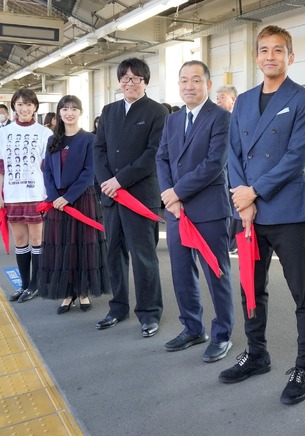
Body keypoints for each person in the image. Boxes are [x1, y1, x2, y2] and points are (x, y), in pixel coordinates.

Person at [219, 25, 305, 406]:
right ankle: (257, 353)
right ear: (256, 57)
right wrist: (243, 201)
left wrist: (255, 191)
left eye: (278, 50)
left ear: (290, 57)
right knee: (251, 288)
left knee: (302, 293)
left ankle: (304, 366)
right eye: (264, 50)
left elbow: (297, 156)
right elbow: (234, 153)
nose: (270, 56)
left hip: (287, 212)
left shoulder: (302, 99)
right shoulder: (243, 101)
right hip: (250, 216)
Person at [156, 60, 235, 362]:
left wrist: (176, 192)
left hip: (209, 211)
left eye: (196, 80)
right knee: (181, 272)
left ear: (208, 85)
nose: (189, 86)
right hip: (177, 212)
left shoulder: (221, 118)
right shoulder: (172, 120)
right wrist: (170, 198)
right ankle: (192, 327)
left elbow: (214, 165)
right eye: (184, 81)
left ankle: (222, 334)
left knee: (216, 273)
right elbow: (162, 158)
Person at [93, 57, 167, 338]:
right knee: (114, 254)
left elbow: (153, 154)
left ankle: (149, 313)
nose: (129, 83)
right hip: (111, 197)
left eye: (136, 78)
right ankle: (118, 306)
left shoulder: (156, 112)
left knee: (143, 256)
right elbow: (98, 149)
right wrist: (106, 182)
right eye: (125, 78)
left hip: (139, 197)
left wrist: (119, 180)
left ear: (145, 82)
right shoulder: (109, 111)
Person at [39, 95, 110, 314]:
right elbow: (47, 171)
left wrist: (68, 197)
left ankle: (83, 292)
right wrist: (53, 197)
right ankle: (67, 293)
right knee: (62, 246)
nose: (69, 113)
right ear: (59, 113)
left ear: (80, 112)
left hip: (81, 199)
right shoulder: (53, 140)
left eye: (74, 109)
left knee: (83, 245)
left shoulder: (89, 138)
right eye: (65, 109)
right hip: (57, 203)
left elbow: (90, 172)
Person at [0, 89, 52, 302]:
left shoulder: (44, 133)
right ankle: (25, 284)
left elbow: (48, 168)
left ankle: (36, 284)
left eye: (29, 104)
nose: (25, 108)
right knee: (21, 241)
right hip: (12, 195)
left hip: (36, 194)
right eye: (20, 104)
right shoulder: (2, 133)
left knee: (36, 239)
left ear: (35, 107)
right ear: (14, 106)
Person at [215, 85, 241, 254]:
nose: (218, 100)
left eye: (222, 97)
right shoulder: (214, 119)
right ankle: (226, 240)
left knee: (235, 207)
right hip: (218, 170)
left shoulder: (239, 119)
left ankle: (234, 242)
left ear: (233, 100)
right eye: (217, 97)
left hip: (235, 171)